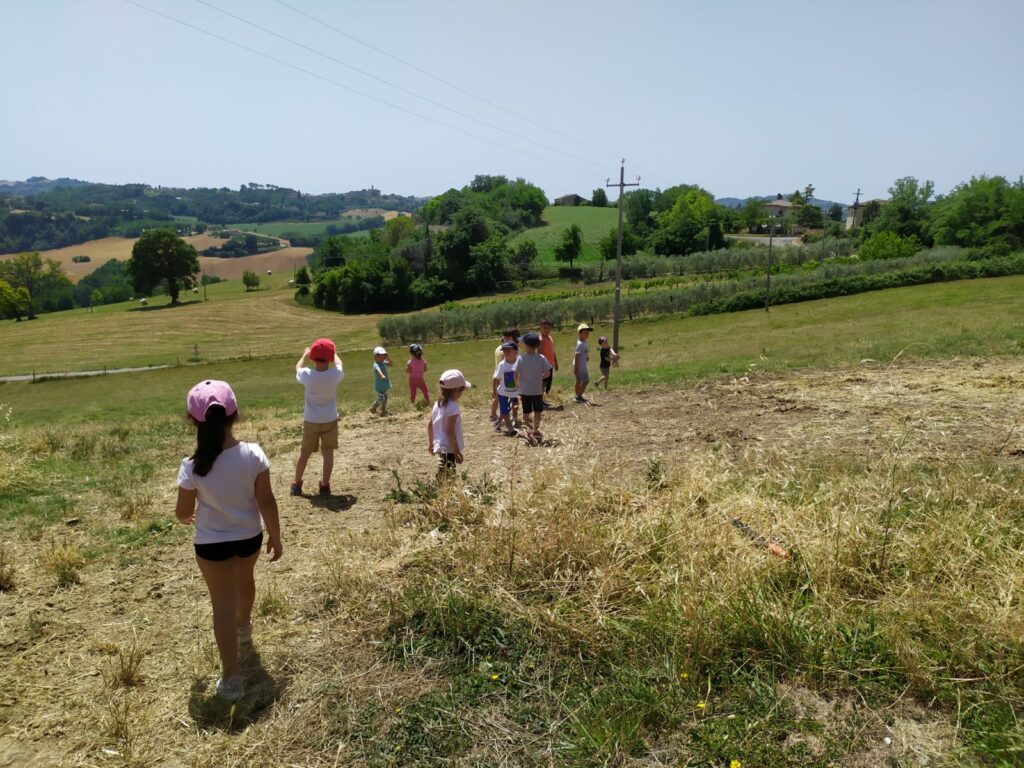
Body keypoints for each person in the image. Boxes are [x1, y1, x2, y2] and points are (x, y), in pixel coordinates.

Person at [175, 379, 283, 702]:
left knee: (220, 605)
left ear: (194, 421)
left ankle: (232, 678)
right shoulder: (253, 454)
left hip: (210, 546)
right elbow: (267, 501)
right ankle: (245, 629)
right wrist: (276, 536)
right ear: (235, 415)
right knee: (245, 581)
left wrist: (188, 514)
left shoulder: (191, 466)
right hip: (248, 538)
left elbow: (183, 511)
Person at [292, 338, 344, 496]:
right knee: (328, 453)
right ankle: (325, 485)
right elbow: (339, 365)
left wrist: (304, 355)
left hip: (311, 420)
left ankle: (296, 483)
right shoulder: (335, 374)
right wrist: (334, 354)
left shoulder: (307, 375)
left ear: (313, 358)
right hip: (329, 419)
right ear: (329, 357)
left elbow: (298, 367)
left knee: (305, 452)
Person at [427, 369, 471, 482]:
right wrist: (456, 451)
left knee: (444, 470)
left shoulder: (438, 403)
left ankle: (441, 488)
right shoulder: (453, 407)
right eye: (461, 391)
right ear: (455, 389)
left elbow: (430, 425)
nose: (461, 395)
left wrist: (431, 443)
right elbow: (450, 431)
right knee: (449, 474)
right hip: (449, 447)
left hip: (440, 445)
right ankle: (443, 492)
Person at [514, 332, 552, 441]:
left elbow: (515, 374)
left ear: (526, 345)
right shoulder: (541, 358)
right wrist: (540, 377)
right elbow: (548, 373)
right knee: (537, 412)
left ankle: (527, 431)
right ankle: (535, 431)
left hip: (524, 391)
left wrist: (518, 385)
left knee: (526, 412)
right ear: (537, 346)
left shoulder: (521, 358)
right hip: (537, 390)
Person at [490, 328, 519, 425]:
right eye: (506, 337)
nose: (507, 339)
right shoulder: (505, 350)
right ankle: (495, 415)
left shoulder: (501, 347)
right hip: (503, 376)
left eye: (509, 337)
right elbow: (506, 361)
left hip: (504, 376)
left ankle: (496, 415)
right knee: (500, 396)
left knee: (509, 398)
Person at [538, 319, 558, 406]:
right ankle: (539, 400)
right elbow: (540, 353)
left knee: (547, 383)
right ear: (540, 328)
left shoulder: (549, 337)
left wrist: (556, 362)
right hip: (544, 366)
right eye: (544, 328)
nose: (547, 330)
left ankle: (542, 400)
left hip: (550, 365)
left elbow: (552, 351)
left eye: (549, 328)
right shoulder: (541, 340)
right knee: (543, 383)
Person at [370, 346, 392, 416]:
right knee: (381, 398)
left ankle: (383, 411)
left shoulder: (383, 362)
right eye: (381, 357)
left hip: (384, 385)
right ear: (375, 357)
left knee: (384, 398)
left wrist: (388, 358)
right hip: (379, 386)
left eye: (384, 357)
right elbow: (378, 370)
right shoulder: (376, 364)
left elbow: (391, 364)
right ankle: (373, 408)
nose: (383, 359)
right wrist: (382, 375)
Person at [574, 323, 592, 403]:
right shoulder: (580, 344)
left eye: (588, 332)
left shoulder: (584, 342)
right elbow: (577, 355)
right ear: (579, 333)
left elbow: (584, 352)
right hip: (579, 366)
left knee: (581, 380)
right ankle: (578, 396)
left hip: (581, 365)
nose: (587, 334)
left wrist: (586, 356)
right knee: (584, 380)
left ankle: (578, 395)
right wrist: (576, 368)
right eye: (585, 333)